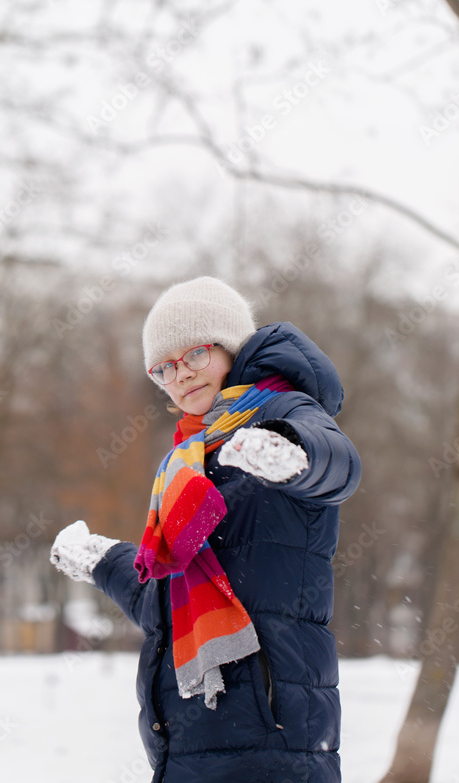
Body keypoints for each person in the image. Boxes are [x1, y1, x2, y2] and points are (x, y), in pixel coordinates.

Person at [50, 276, 361, 783]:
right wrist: (105, 561)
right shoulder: (189, 458)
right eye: (164, 367)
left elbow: (341, 464)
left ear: (230, 345)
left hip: (273, 739)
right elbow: (170, 605)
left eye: (194, 354)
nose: (180, 377)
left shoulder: (283, 412)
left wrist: (289, 454)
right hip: (187, 744)